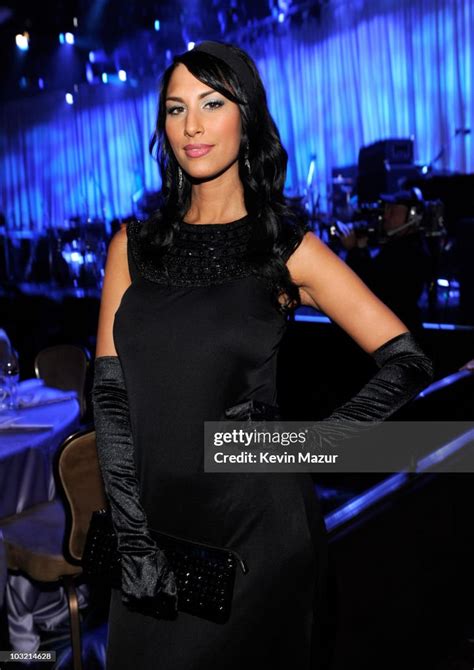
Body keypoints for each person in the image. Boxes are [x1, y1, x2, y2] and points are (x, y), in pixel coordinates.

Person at [92, 41, 433, 669]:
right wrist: (132, 532)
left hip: (254, 535)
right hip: (149, 534)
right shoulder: (131, 247)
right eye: (175, 108)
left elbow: (407, 359)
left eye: (212, 103)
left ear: (245, 116)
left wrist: (307, 444)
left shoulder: (285, 247)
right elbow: (110, 398)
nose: (191, 125)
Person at [338, 191, 432, 337]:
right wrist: (361, 249)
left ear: (413, 216)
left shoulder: (409, 253)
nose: (386, 216)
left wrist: (355, 251)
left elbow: (371, 290)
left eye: (393, 211)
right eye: (386, 210)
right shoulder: (403, 244)